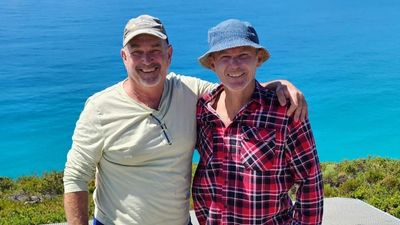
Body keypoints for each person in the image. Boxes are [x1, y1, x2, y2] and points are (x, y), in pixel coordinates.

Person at [63, 15, 308, 225]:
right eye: (137, 52)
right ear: (124, 57)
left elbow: (235, 86)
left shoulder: (190, 91)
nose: (147, 60)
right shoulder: (100, 107)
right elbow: (76, 176)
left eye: (155, 51)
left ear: (169, 54)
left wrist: (279, 86)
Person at [192, 19, 323, 225]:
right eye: (225, 57)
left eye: (243, 55)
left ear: (258, 59)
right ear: (212, 64)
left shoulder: (285, 111)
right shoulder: (203, 110)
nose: (234, 65)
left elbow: (310, 180)